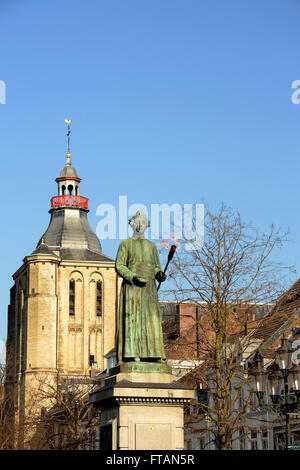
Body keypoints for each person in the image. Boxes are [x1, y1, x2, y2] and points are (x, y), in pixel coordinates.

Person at [115, 211, 167, 363]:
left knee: (152, 321)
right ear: (133, 225)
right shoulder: (125, 244)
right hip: (133, 288)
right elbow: (119, 265)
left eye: (144, 223)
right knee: (133, 320)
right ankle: (133, 354)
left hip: (149, 289)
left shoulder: (151, 247)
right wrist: (132, 276)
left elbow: (156, 266)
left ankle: (154, 355)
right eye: (139, 223)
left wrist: (159, 275)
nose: (142, 226)